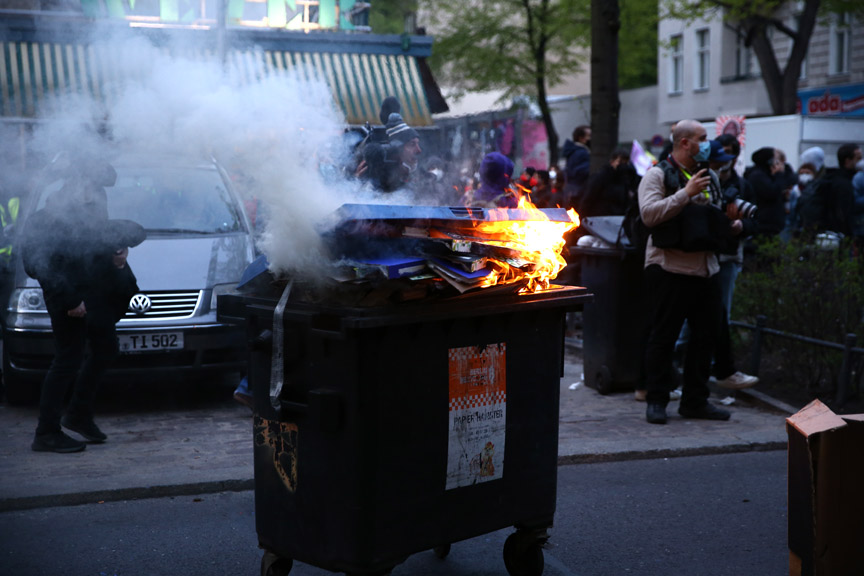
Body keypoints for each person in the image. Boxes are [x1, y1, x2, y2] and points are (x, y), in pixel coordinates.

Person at [21, 162, 144, 453]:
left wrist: (118, 257)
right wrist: (70, 301)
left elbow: (92, 250)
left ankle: (78, 414)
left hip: (91, 296)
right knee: (67, 359)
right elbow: (39, 265)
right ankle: (46, 432)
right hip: (67, 298)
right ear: (75, 185)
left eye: (98, 191)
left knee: (105, 348)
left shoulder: (87, 214)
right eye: (91, 188)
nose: (96, 195)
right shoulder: (45, 220)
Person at [639, 119, 743, 424]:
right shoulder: (657, 174)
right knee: (664, 337)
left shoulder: (710, 175)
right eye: (702, 138)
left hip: (706, 269)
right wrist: (685, 193)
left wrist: (732, 224)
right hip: (668, 267)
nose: (707, 142)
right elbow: (649, 215)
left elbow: (711, 216)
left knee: (705, 338)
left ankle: (695, 401)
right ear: (685, 143)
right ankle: (656, 400)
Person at [580, 147, 638, 217]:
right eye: (620, 162)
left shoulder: (625, 178)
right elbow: (587, 200)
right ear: (612, 161)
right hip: (599, 220)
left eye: (625, 163)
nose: (623, 165)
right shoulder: (601, 176)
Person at [746, 147, 787, 237]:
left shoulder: (766, 175)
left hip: (771, 225)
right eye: (775, 159)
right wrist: (779, 174)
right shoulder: (758, 176)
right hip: (764, 225)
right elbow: (772, 193)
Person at [561, 125, 591, 211]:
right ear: (581, 138)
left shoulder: (574, 152)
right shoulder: (581, 153)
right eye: (589, 136)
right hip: (578, 193)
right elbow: (581, 172)